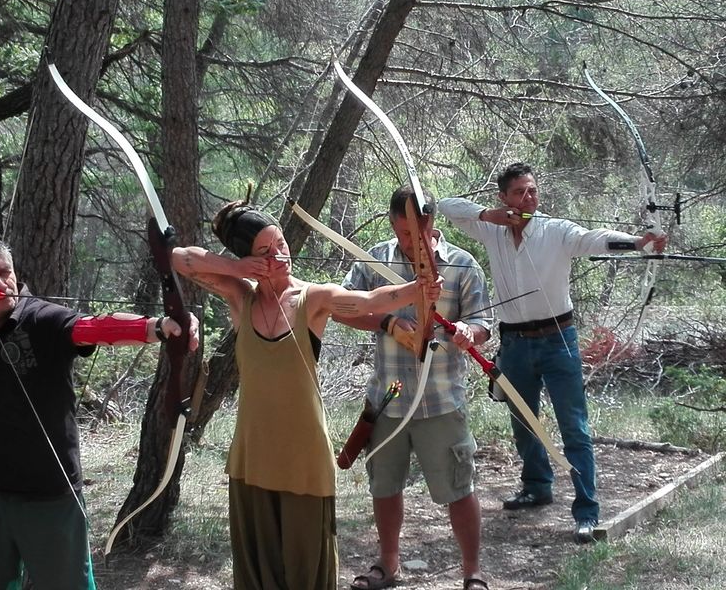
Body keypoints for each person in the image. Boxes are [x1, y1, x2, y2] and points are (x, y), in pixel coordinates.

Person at [171, 200, 441, 590]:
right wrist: (236, 269)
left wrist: (419, 289)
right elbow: (180, 259)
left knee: (305, 571)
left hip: (304, 459)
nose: (280, 255)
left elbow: (370, 302)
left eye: (280, 243)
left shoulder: (311, 299)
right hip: (253, 455)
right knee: (260, 571)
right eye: (265, 252)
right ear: (249, 260)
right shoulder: (239, 296)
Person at [0, 231, 200, 590]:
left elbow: (90, 327)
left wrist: (159, 328)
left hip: (49, 495)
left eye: (5, 272)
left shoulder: (42, 319)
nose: (0, 284)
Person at [438, 162, 668, 544]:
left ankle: (587, 512)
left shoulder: (556, 230)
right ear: (504, 198)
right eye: (519, 193)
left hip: (558, 339)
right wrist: (486, 215)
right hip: (514, 342)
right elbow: (445, 205)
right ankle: (536, 486)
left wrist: (639, 243)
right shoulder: (491, 229)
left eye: (532, 191)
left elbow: (594, 239)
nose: (528, 198)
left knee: (573, 427)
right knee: (524, 420)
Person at [336, 185, 492, 590]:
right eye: (405, 233)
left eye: (420, 232)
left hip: (440, 400)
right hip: (388, 398)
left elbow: (482, 324)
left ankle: (472, 572)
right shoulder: (376, 260)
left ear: (432, 222)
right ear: (393, 224)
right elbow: (342, 307)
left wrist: (466, 333)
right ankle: (388, 564)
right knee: (385, 485)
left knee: (459, 487)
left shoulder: (461, 264)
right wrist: (386, 322)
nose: (413, 242)